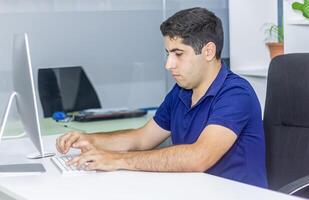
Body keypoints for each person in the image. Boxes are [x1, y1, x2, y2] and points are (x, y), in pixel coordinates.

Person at [56, 7, 267, 188]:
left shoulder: (235, 93)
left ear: (208, 51)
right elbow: (141, 139)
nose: (169, 65)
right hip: (193, 190)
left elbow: (198, 158)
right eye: (168, 54)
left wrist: (118, 160)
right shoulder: (182, 91)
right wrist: (90, 140)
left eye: (178, 54)